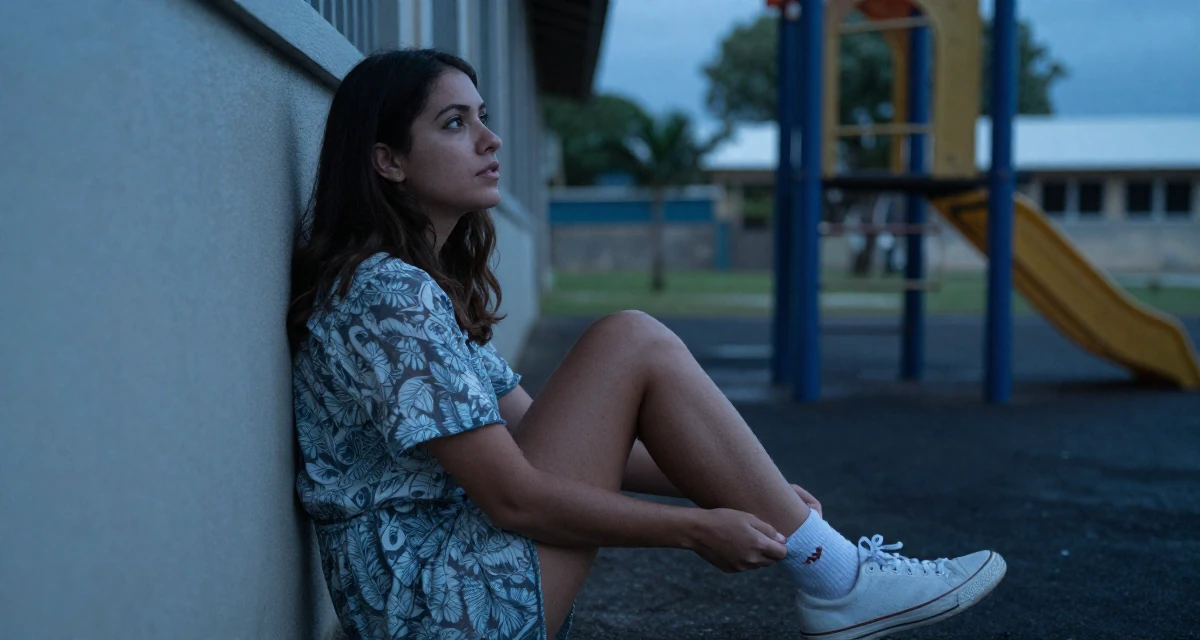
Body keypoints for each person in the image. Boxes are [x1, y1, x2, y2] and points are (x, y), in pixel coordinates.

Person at [286, 49, 1006, 640]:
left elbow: (545, 433)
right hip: (438, 612)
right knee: (629, 337)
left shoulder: (420, 288)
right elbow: (514, 498)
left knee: (632, 344)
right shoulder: (386, 295)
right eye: (453, 123)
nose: (489, 139)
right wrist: (695, 529)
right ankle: (839, 580)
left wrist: (748, 490)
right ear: (388, 161)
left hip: (450, 590)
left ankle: (834, 571)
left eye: (483, 117)